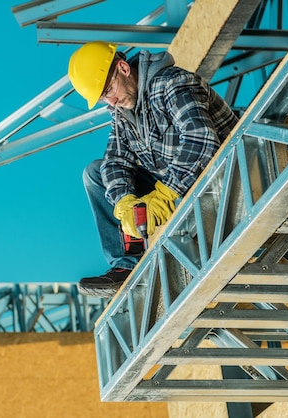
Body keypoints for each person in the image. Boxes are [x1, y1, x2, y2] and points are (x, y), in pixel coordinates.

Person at [68, 41, 239, 297]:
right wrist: (123, 201)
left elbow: (201, 140)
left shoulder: (172, 83)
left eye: (109, 90)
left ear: (124, 68)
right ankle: (126, 268)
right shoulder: (122, 113)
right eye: (103, 97)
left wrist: (164, 194)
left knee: (168, 173)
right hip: (181, 188)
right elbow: (115, 161)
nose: (111, 101)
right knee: (94, 173)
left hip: (223, 178)